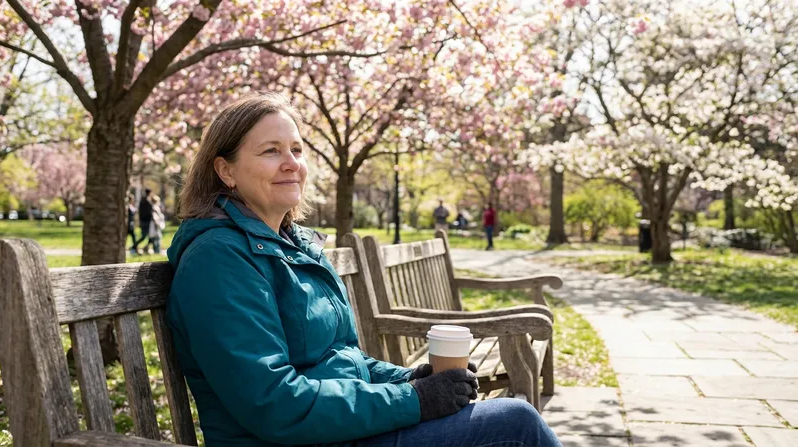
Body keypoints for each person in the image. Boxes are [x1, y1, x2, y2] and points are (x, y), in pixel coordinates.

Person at [166, 92, 562, 447]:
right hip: (297, 439)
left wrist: (410, 380)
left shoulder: (295, 244)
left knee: (510, 423)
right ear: (226, 171)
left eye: (297, 150)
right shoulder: (219, 259)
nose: (292, 164)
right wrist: (415, 400)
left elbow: (345, 357)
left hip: (340, 433)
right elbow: (273, 402)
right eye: (271, 151)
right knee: (515, 426)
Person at [132, 188, 153, 254]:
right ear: (149, 193)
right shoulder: (147, 200)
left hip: (143, 220)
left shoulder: (142, 200)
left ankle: (145, 248)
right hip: (146, 221)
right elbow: (149, 212)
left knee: (148, 236)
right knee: (146, 236)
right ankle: (134, 246)